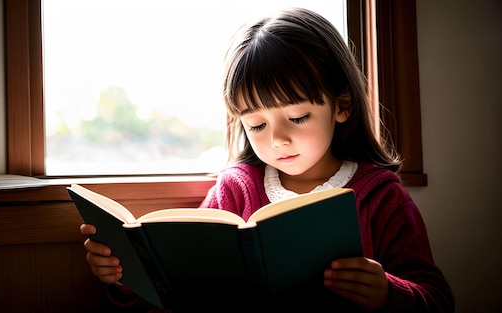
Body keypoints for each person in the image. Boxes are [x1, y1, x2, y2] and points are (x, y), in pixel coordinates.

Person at [80, 7, 455, 312]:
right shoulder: (233, 191)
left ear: (341, 106)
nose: (277, 139)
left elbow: (437, 299)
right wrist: (127, 277)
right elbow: (181, 289)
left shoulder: (382, 198)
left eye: (297, 118)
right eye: (257, 124)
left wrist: (387, 293)